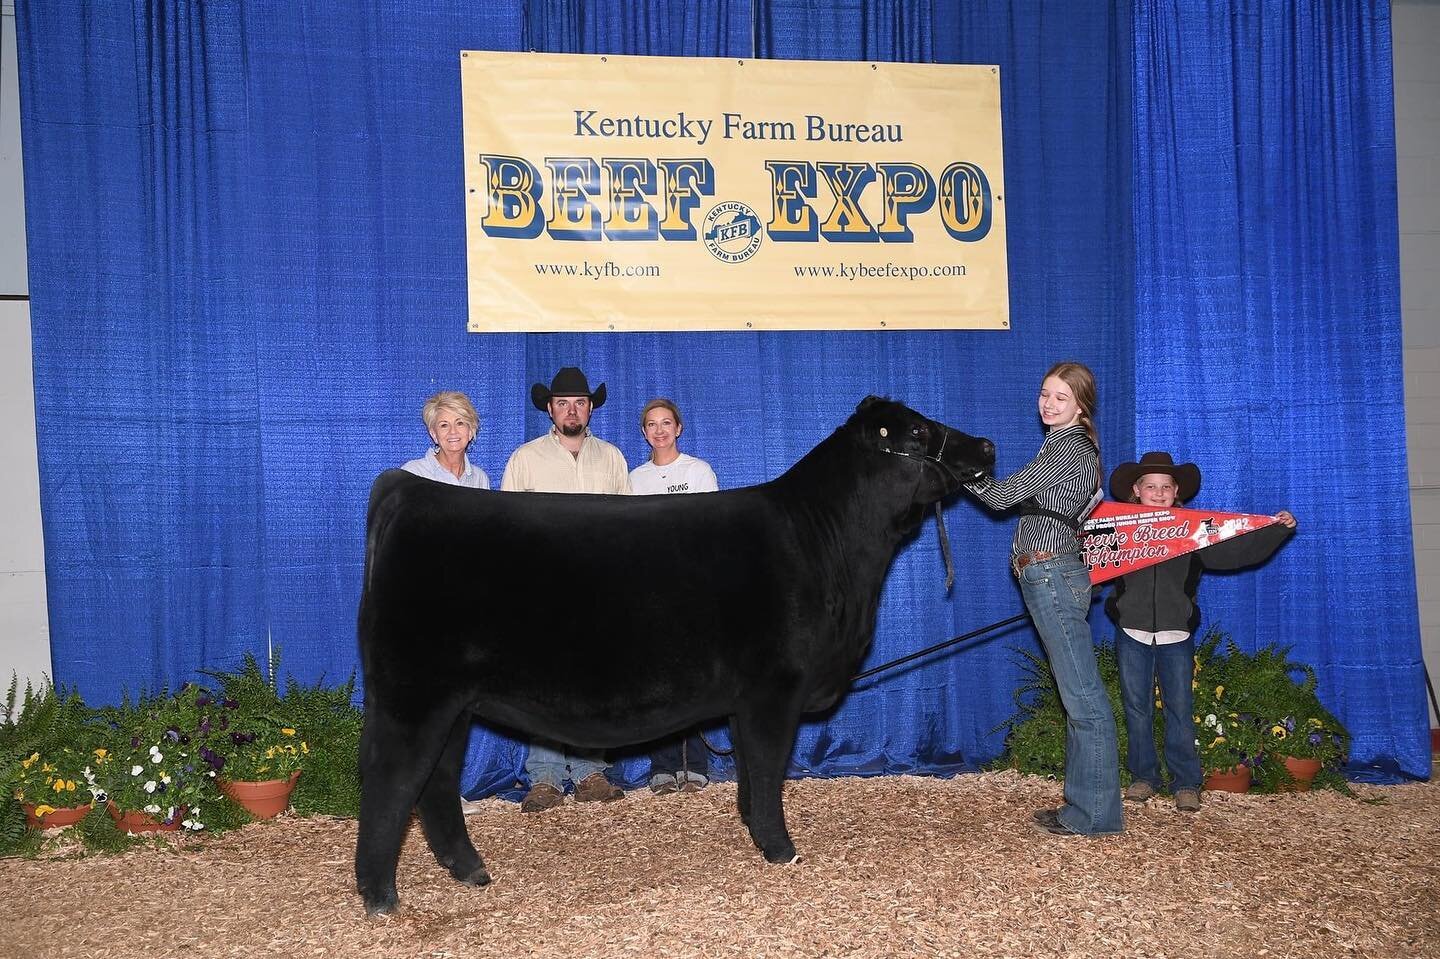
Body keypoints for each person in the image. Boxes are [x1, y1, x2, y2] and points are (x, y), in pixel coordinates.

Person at [962, 361, 1123, 836]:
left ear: (1081, 405)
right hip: (1052, 574)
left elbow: (1000, 497)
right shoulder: (1067, 445)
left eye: (1061, 398)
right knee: (1076, 693)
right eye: (1044, 394)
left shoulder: (1069, 448)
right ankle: (1083, 807)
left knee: (1082, 696)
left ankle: (1094, 815)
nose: (1048, 404)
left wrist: (958, 469)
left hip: (1051, 574)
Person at [1105, 451, 1297, 812]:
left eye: (1166, 486)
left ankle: (1186, 783)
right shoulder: (1119, 529)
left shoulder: (1193, 531)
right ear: (1136, 490)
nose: (1158, 492)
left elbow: (1236, 549)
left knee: (1180, 707)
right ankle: (1143, 777)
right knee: (1137, 708)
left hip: (1177, 632)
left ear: (1177, 490)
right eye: (1150, 486)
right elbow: (1090, 558)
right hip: (1131, 631)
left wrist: (1276, 529)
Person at [501, 366, 630, 813]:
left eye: (579, 402)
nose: (571, 410)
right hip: (543, 584)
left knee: (593, 680)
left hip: (598, 584)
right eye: (563, 403)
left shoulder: (612, 457)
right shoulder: (526, 458)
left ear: (590, 407)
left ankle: (590, 769)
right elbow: (507, 526)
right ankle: (546, 777)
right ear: (550, 410)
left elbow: (627, 525)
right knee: (546, 682)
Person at [629, 398, 718, 794]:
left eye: (667, 423)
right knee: (658, 680)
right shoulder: (635, 479)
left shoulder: (698, 471)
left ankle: (694, 763)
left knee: (694, 678)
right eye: (652, 425)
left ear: (679, 428)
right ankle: (663, 765)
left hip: (692, 586)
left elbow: (712, 527)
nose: (660, 430)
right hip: (651, 588)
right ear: (644, 432)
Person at [400, 391, 490, 490]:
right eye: (444, 425)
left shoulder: (480, 478)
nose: (453, 431)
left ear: (471, 431)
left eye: (460, 423)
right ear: (434, 434)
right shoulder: (413, 473)